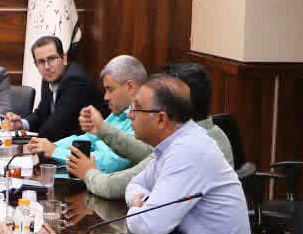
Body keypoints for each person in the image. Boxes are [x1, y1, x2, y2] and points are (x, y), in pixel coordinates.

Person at [123, 74, 250, 234]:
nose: (129, 115)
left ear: (160, 119)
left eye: (136, 109)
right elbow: (135, 184)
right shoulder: (174, 144)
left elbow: (152, 226)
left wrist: (135, 210)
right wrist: (139, 203)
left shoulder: (188, 150)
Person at [69, 62, 234, 200]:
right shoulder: (214, 133)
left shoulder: (186, 147)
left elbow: (113, 187)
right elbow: (145, 152)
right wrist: (102, 129)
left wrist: (88, 172)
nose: (132, 114)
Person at [25, 54, 146, 174]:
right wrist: (50, 146)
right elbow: (88, 139)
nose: (106, 97)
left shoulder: (143, 119)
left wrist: (55, 151)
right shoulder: (118, 113)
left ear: (130, 86)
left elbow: (109, 163)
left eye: (110, 89)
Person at [2, 36, 103, 140]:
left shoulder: (75, 81)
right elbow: (41, 114)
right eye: (41, 62)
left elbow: (56, 127)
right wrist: (20, 124)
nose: (47, 67)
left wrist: (30, 140)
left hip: (91, 144)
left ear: (64, 58)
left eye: (52, 59)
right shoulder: (48, 78)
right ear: (36, 64)